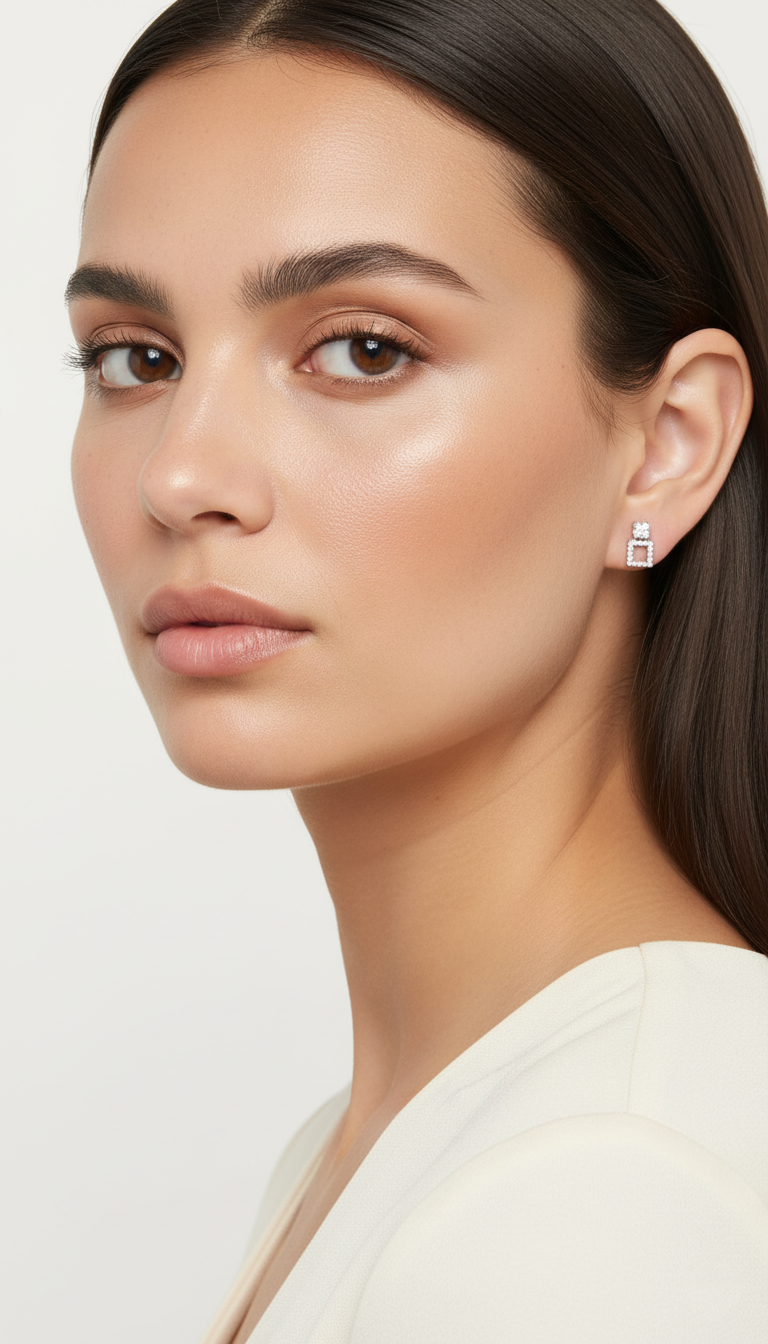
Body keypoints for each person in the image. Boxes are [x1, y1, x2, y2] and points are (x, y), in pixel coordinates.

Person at [65, 0, 768, 1339]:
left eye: (364, 350)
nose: (181, 473)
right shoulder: (399, 1135)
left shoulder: (601, 1193)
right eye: (135, 359)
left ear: (667, 444)